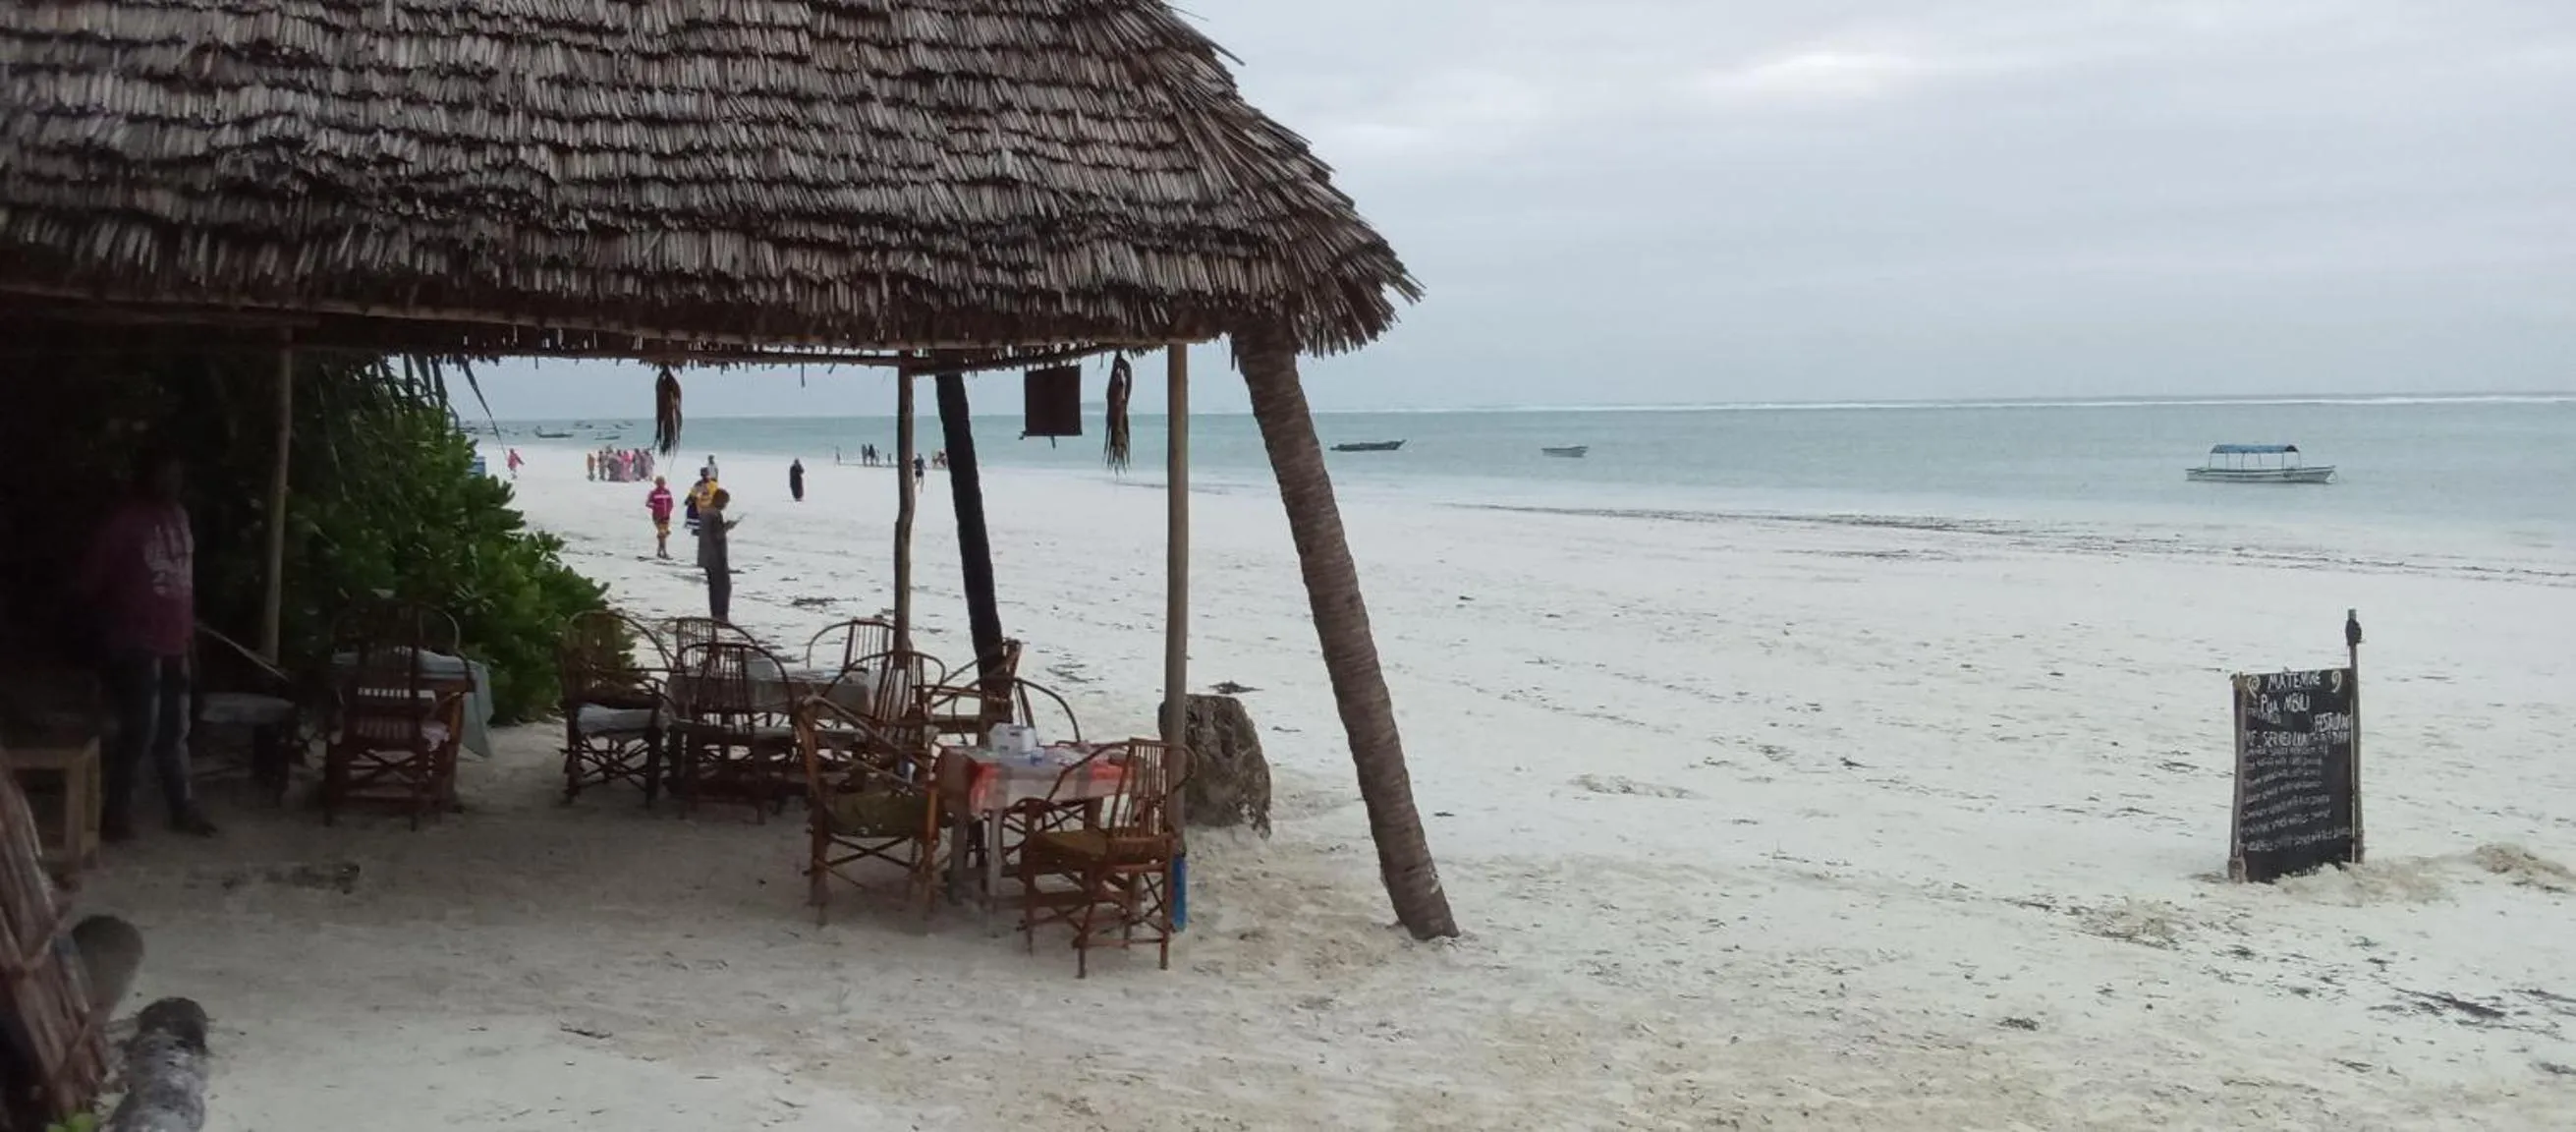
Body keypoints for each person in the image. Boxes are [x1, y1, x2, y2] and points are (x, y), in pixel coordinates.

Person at [82, 449, 217, 840]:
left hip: (177, 641)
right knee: (140, 730)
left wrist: (190, 640)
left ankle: (182, 807)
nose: (173, 482)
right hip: (137, 643)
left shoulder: (180, 517)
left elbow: (184, 584)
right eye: (165, 474)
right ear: (147, 476)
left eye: (177, 475)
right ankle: (117, 814)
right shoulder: (124, 523)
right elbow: (91, 583)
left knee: (175, 731)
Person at [697, 488, 737, 621]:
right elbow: (717, 535)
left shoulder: (705, 511)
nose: (725, 505)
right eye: (725, 502)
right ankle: (721, 616)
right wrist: (727, 527)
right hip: (716, 557)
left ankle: (715, 615)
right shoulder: (715, 514)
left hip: (705, 555)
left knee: (713, 588)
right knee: (723, 587)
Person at [645, 476, 675, 558]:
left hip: (666, 516)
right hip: (657, 516)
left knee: (663, 535)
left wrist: (668, 511)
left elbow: (671, 503)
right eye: (659, 483)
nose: (661, 484)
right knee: (662, 533)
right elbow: (648, 503)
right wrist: (657, 507)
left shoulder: (667, 492)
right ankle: (664, 552)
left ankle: (659, 552)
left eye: (662, 482)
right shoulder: (653, 493)